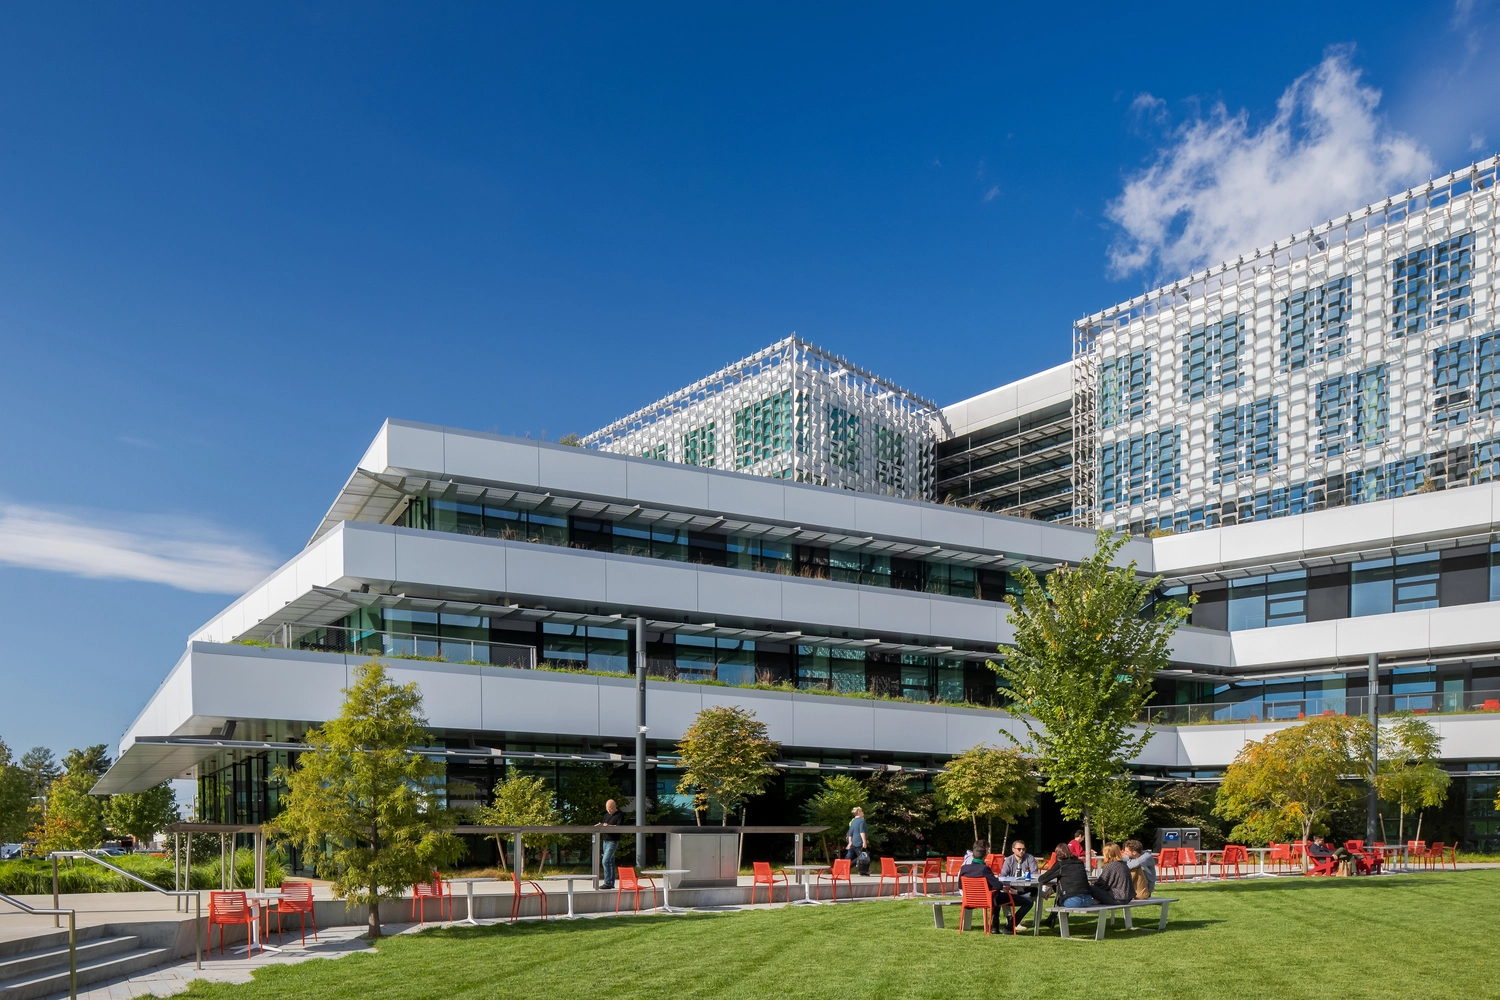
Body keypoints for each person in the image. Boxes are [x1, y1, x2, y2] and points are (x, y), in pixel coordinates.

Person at [958, 840, 1021, 933]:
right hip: (986, 900)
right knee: (1027, 902)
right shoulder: (984, 869)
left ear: (972, 856)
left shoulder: (964, 868)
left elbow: (960, 885)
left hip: (969, 900)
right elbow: (998, 886)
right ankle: (1008, 927)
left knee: (995, 895)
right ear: (985, 856)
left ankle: (995, 927)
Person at [1037, 842, 1093, 918]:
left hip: (1074, 901)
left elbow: (1042, 879)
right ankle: (1051, 920)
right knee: (1062, 894)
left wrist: (1050, 886)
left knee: (1060, 897)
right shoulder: (1080, 863)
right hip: (1088, 900)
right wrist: (1052, 887)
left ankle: (1054, 922)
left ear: (1057, 854)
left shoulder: (1061, 864)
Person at [997, 840, 1038, 930]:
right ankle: (1010, 919)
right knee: (1003, 892)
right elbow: (1003, 876)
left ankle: (1037, 921)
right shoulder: (1009, 860)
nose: (1021, 851)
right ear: (1013, 849)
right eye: (1019, 849)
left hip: (1027, 888)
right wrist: (1011, 888)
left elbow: (1035, 875)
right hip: (1012, 887)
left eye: (1023, 849)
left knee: (1041, 890)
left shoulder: (1029, 858)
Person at [596, 798, 625, 889]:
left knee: (605, 860)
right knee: (610, 862)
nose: (609, 811)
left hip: (613, 840)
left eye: (610, 809)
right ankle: (611, 883)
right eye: (607, 809)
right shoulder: (606, 816)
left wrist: (609, 826)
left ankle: (607, 882)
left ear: (614, 806)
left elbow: (619, 827)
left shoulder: (620, 814)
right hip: (605, 840)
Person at [846, 807, 870, 875]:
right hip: (859, 842)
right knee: (863, 857)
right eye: (862, 811)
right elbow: (862, 832)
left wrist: (850, 842)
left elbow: (850, 833)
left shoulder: (853, 821)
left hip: (853, 842)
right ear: (859, 812)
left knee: (862, 857)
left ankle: (863, 871)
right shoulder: (861, 820)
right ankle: (848, 868)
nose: (863, 813)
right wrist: (864, 842)